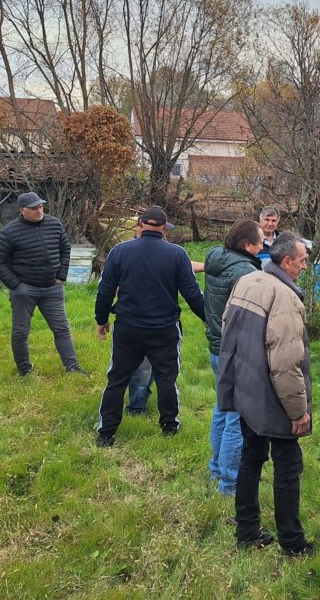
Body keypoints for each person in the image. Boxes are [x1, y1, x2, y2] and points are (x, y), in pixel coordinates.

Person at [217, 231, 314, 556]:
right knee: (288, 467)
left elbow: (227, 327)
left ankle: (246, 531)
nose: (304, 267)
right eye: (301, 261)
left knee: (251, 456)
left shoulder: (248, 280)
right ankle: (293, 543)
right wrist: (297, 412)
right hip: (273, 398)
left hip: (246, 391)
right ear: (286, 261)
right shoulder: (284, 297)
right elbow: (286, 364)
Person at [94, 205, 205, 447]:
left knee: (117, 379)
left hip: (128, 327)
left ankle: (106, 434)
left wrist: (101, 320)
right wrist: (210, 320)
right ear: (164, 228)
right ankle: (169, 426)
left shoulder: (119, 251)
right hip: (164, 329)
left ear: (140, 225)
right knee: (166, 378)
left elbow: (104, 291)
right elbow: (193, 294)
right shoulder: (177, 254)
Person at [0, 191, 84, 376]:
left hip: (52, 288)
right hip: (25, 290)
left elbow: (65, 249)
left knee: (61, 328)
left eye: (40, 206)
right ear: (22, 210)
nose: (39, 210)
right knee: (20, 332)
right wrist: (17, 286)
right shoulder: (10, 232)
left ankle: (72, 368)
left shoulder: (54, 224)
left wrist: (61, 276)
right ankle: (24, 370)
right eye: (34, 208)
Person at [203, 219, 264, 496]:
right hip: (235, 351)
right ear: (247, 245)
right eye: (260, 243)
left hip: (216, 347)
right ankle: (229, 483)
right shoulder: (245, 272)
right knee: (236, 419)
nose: (263, 247)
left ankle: (216, 468)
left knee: (221, 409)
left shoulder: (216, 258)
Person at [125, 216, 203, 415]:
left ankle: (150, 404)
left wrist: (207, 265)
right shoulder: (129, 251)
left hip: (162, 320)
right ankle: (137, 408)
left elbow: (183, 265)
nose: (165, 233)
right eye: (163, 229)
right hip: (140, 320)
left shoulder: (168, 251)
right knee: (142, 369)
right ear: (140, 227)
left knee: (156, 367)